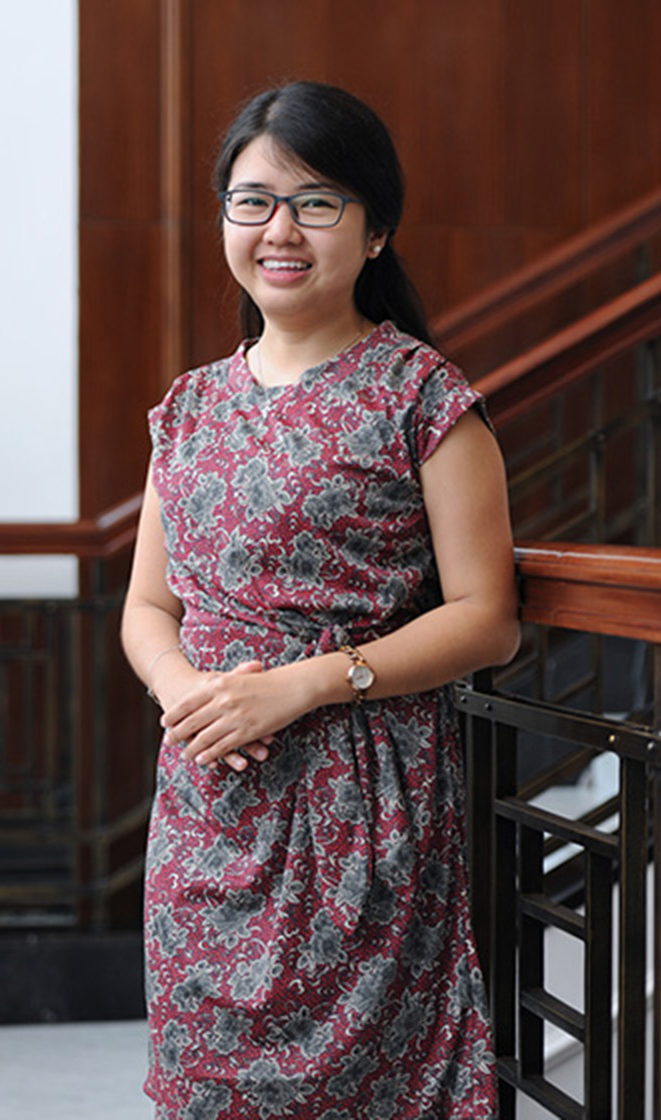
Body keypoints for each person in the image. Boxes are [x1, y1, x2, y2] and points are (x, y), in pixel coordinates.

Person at [121, 80, 520, 1120]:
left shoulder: (422, 397)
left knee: (362, 1090)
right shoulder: (191, 408)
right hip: (208, 806)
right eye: (252, 202)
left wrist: (302, 686)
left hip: (361, 814)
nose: (279, 230)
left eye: (317, 201)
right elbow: (148, 607)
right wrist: (186, 691)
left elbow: (487, 612)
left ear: (375, 228)